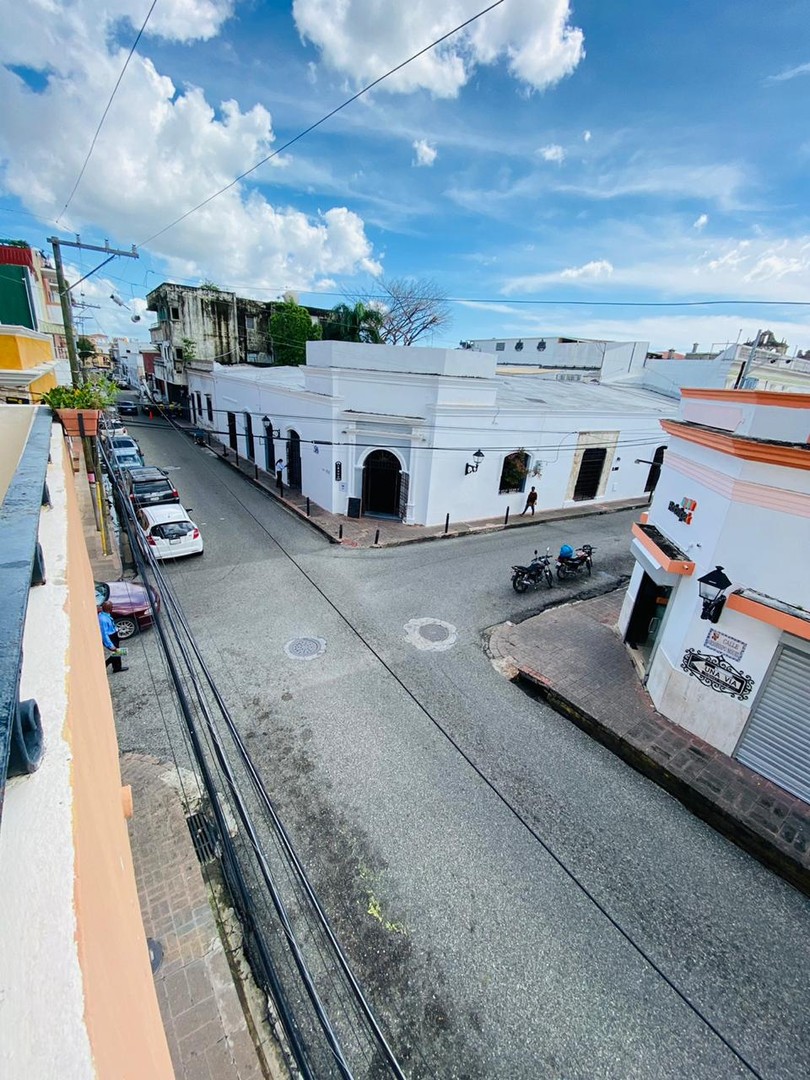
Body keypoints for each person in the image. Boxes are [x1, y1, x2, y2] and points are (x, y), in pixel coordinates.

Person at [98, 601, 128, 673]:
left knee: (117, 651)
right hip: (110, 637)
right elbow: (104, 634)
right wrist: (110, 645)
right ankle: (109, 664)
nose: (112, 608)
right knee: (117, 651)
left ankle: (116, 667)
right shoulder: (103, 619)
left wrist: (116, 629)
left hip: (113, 634)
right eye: (111, 607)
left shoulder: (104, 615)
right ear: (109, 609)